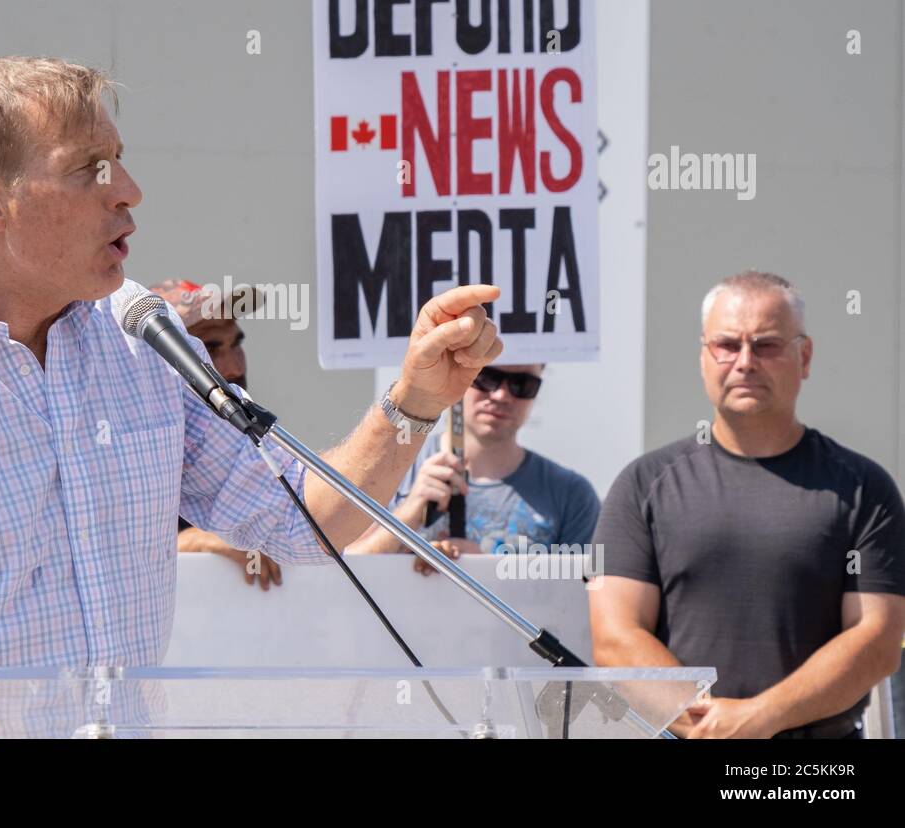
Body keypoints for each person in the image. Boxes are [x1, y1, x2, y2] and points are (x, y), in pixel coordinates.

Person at [0, 56, 504, 738]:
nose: (128, 190)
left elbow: (301, 522)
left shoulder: (139, 339)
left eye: (118, 159)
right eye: (89, 169)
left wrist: (415, 400)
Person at [590, 271, 905, 739]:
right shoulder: (643, 485)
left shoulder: (863, 488)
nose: (745, 362)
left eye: (766, 345)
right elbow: (615, 636)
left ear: (805, 357)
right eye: (726, 345)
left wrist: (759, 717)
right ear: (703, 357)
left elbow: (877, 640)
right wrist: (708, 723)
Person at [347, 364, 600, 575]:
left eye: (522, 385)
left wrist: (484, 571)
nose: (501, 395)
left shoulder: (572, 495)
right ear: (458, 377)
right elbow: (342, 571)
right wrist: (408, 515)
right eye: (486, 377)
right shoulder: (393, 470)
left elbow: (587, 596)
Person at [149, 279, 281, 590]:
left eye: (235, 344)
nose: (234, 368)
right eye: (210, 348)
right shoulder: (124, 443)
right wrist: (193, 542)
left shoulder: (256, 440)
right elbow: (98, 551)